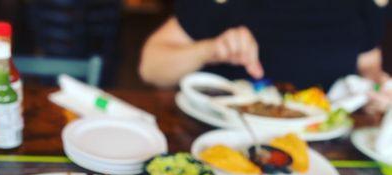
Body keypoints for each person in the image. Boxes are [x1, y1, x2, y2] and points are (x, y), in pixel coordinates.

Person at [139, 0, 390, 110]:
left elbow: (368, 63)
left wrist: (378, 88)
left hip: (325, 159)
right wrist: (209, 49)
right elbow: (151, 68)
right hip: (218, 141)